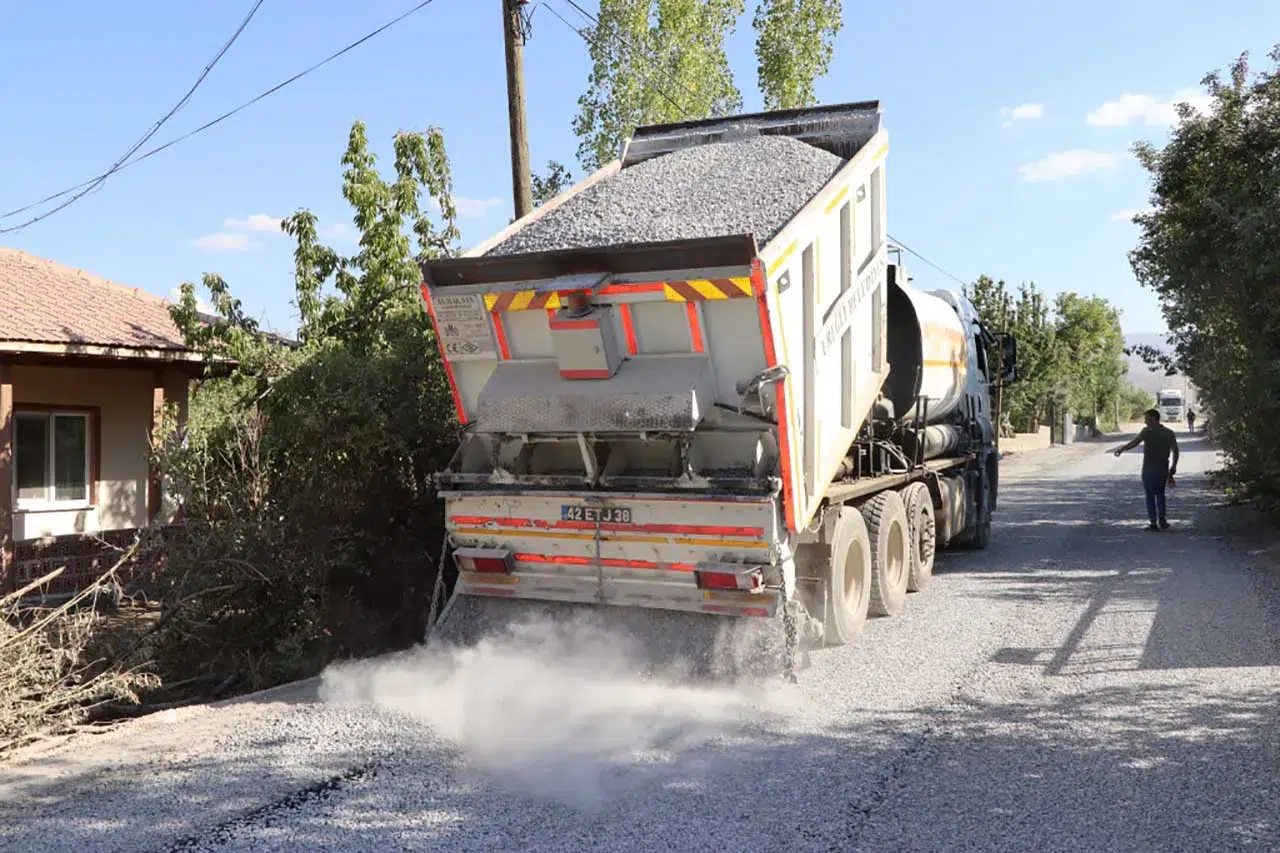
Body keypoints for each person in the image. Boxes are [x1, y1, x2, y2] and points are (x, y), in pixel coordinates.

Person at [1113, 409, 1179, 531]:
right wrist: (1173, 466)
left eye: (1147, 419)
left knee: (1150, 496)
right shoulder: (1169, 433)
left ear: (1154, 418)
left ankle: (1153, 523)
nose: (1145, 422)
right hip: (1162, 469)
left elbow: (1134, 443)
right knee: (1160, 495)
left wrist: (1122, 449)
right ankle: (1162, 520)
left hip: (1149, 469)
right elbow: (1175, 451)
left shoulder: (1147, 432)